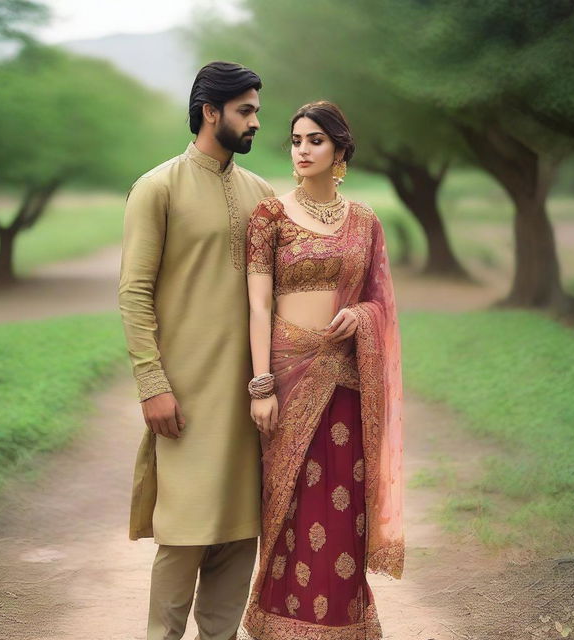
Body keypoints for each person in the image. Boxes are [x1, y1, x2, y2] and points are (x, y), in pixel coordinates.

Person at [118, 61, 275, 640]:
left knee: (239, 536)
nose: (257, 121)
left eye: (256, 110)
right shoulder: (159, 187)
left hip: (247, 400)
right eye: (246, 111)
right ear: (212, 112)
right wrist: (152, 384)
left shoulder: (261, 195)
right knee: (182, 536)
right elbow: (133, 293)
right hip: (183, 398)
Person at [242, 101, 404, 640]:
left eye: (315, 140)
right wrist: (261, 384)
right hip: (288, 381)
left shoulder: (365, 221)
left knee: (344, 511)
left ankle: (344, 625)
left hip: (346, 381)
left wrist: (360, 317)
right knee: (291, 508)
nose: (302, 150)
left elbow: (380, 302)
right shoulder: (269, 216)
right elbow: (259, 306)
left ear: (339, 150)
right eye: (295, 140)